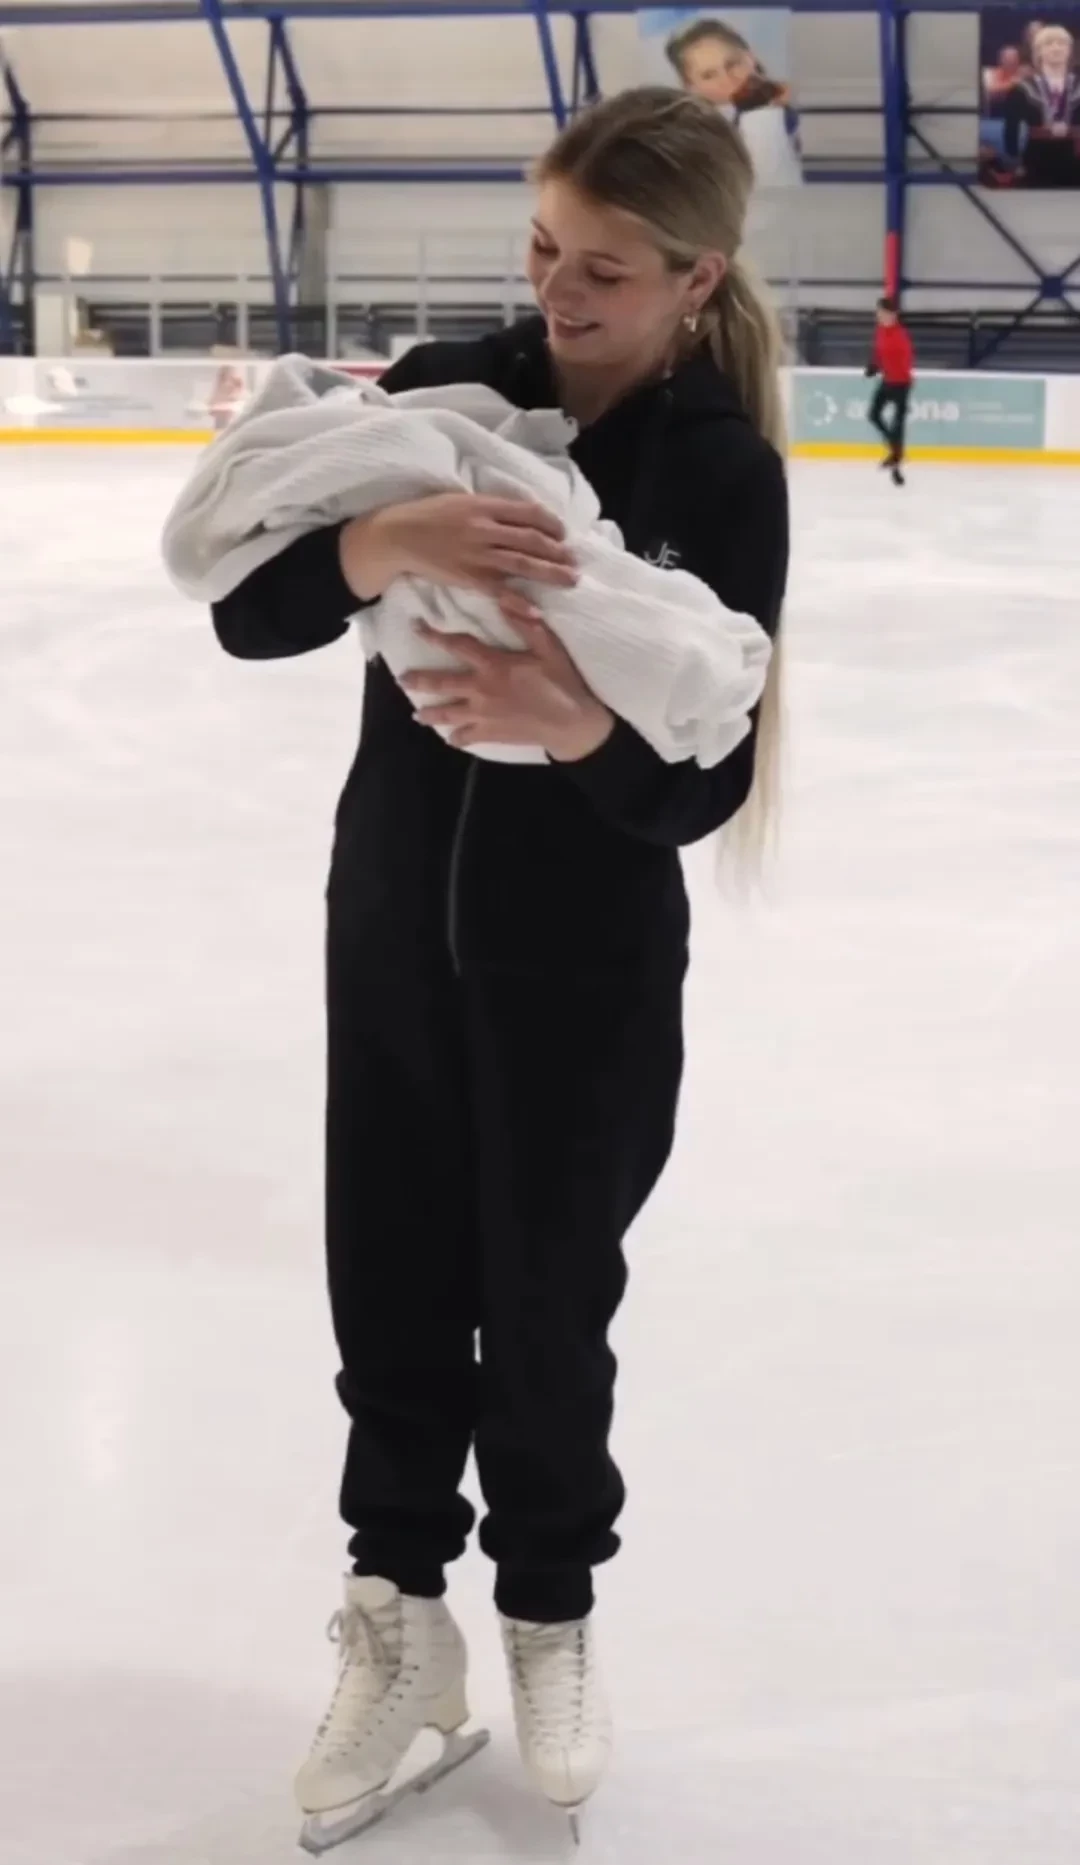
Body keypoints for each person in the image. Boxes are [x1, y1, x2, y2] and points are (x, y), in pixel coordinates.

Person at [209, 85, 788, 1848]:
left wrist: (573, 720)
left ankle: (548, 1615)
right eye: (544, 248)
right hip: (391, 929)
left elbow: (708, 775)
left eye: (604, 269)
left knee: (544, 1311)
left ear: (695, 280)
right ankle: (400, 1625)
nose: (557, 290)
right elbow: (249, 607)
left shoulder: (718, 469)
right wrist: (381, 542)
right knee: (388, 1291)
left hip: (585, 970)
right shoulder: (452, 392)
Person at [1004, 23, 1080, 184]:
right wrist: (1014, 158)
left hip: (1075, 158)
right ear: (1038, 51)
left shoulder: (1078, 86)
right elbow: (1011, 128)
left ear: (1070, 50)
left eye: (1062, 43)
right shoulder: (1022, 89)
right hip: (1036, 159)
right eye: (1049, 44)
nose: (1056, 48)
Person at [866, 296, 915, 487]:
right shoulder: (880, 330)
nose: (879, 316)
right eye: (878, 313)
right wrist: (874, 365)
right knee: (873, 415)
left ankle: (896, 468)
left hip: (901, 384)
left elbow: (906, 362)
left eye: (882, 313)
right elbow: (879, 352)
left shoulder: (900, 336)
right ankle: (895, 450)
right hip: (887, 381)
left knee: (897, 426)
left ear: (892, 315)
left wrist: (900, 382)